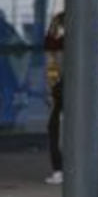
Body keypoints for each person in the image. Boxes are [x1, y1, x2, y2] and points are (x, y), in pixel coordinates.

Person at [42, 11, 63, 185]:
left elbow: (52, 68)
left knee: (55, 129)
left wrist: (52, 86)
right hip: (89, 93)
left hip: (63, 92)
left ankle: (60, 170)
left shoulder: (57, 45)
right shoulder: (94, 40)